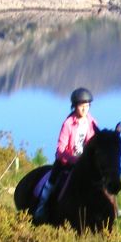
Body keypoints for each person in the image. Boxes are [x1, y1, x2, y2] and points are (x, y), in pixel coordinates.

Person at [34, 86, 98, 221]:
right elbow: (60, 150)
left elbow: (94, 143)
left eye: (87, 106)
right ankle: (41, 208)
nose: (85, 109)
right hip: (67, 162)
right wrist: (74, 159)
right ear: (75, 106)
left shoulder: (92, 122)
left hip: (85, 162)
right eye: (82, 106)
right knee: (51, 183)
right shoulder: (68, 124)